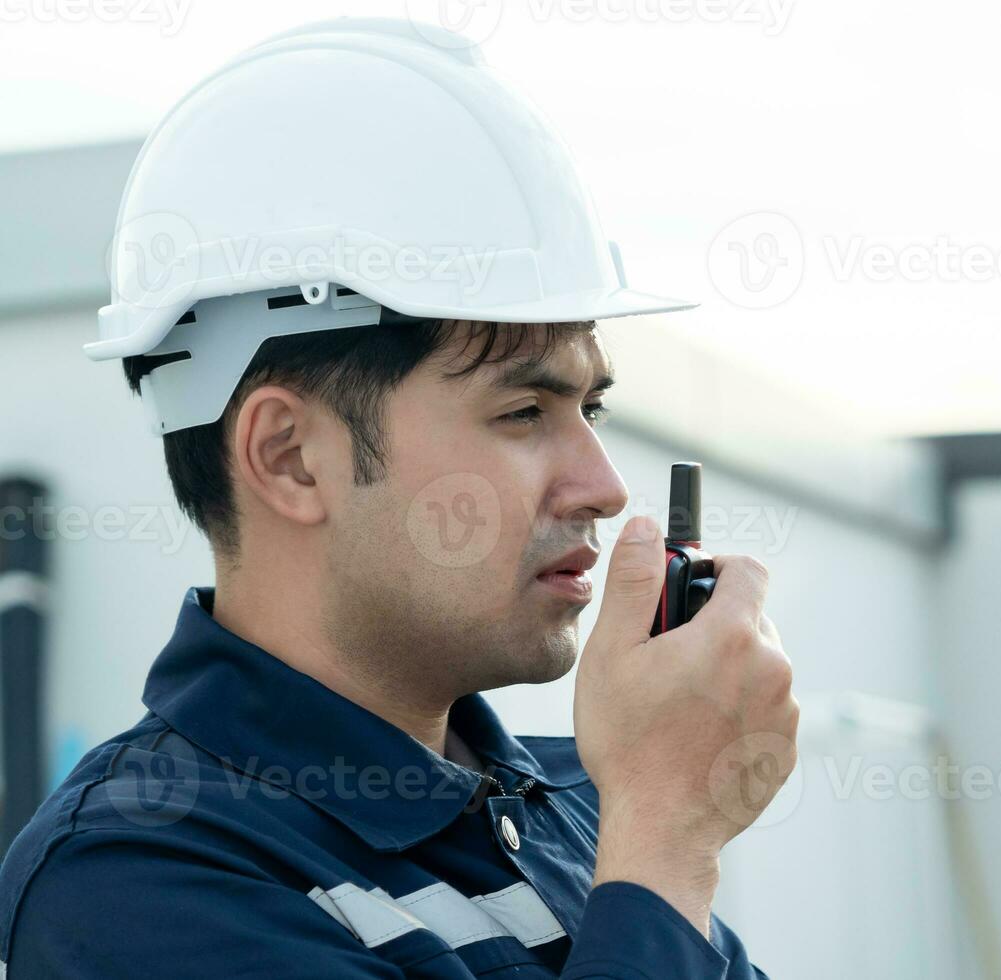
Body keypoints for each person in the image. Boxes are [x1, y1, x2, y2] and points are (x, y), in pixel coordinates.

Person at [0, 17, 796, 978]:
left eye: (589, 406)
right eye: (521, 411)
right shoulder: (137, 878)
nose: (601, 485)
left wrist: (650, 829)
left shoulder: (590, 799)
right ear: (291, 457)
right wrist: (668, 839)